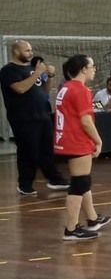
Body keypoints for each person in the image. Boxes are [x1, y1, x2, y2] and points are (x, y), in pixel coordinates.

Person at [54, 55, 111, 241]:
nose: (94, 69)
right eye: (92, 66)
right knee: (80, 183)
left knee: (82, 180)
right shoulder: (80, 90)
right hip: (76, 140)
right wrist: (98, 140)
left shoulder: (66, 88)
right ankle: (71, 229)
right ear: (83, 69)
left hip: (66, 139)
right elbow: (86, 121)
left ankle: (93, 219)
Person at [1, 40, 70, 195]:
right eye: (27, 50)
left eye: (31, 50)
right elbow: (19, 88)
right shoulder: (8, 70)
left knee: (47, 148)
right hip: (23, 117)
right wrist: (38, 72)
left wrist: (49, 76)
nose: (30, 53)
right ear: (16, 51)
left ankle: (55, 179)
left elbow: (44, 91)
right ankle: (25, 184)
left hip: (41, 114)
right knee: (28, 150)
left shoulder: (32, 69)